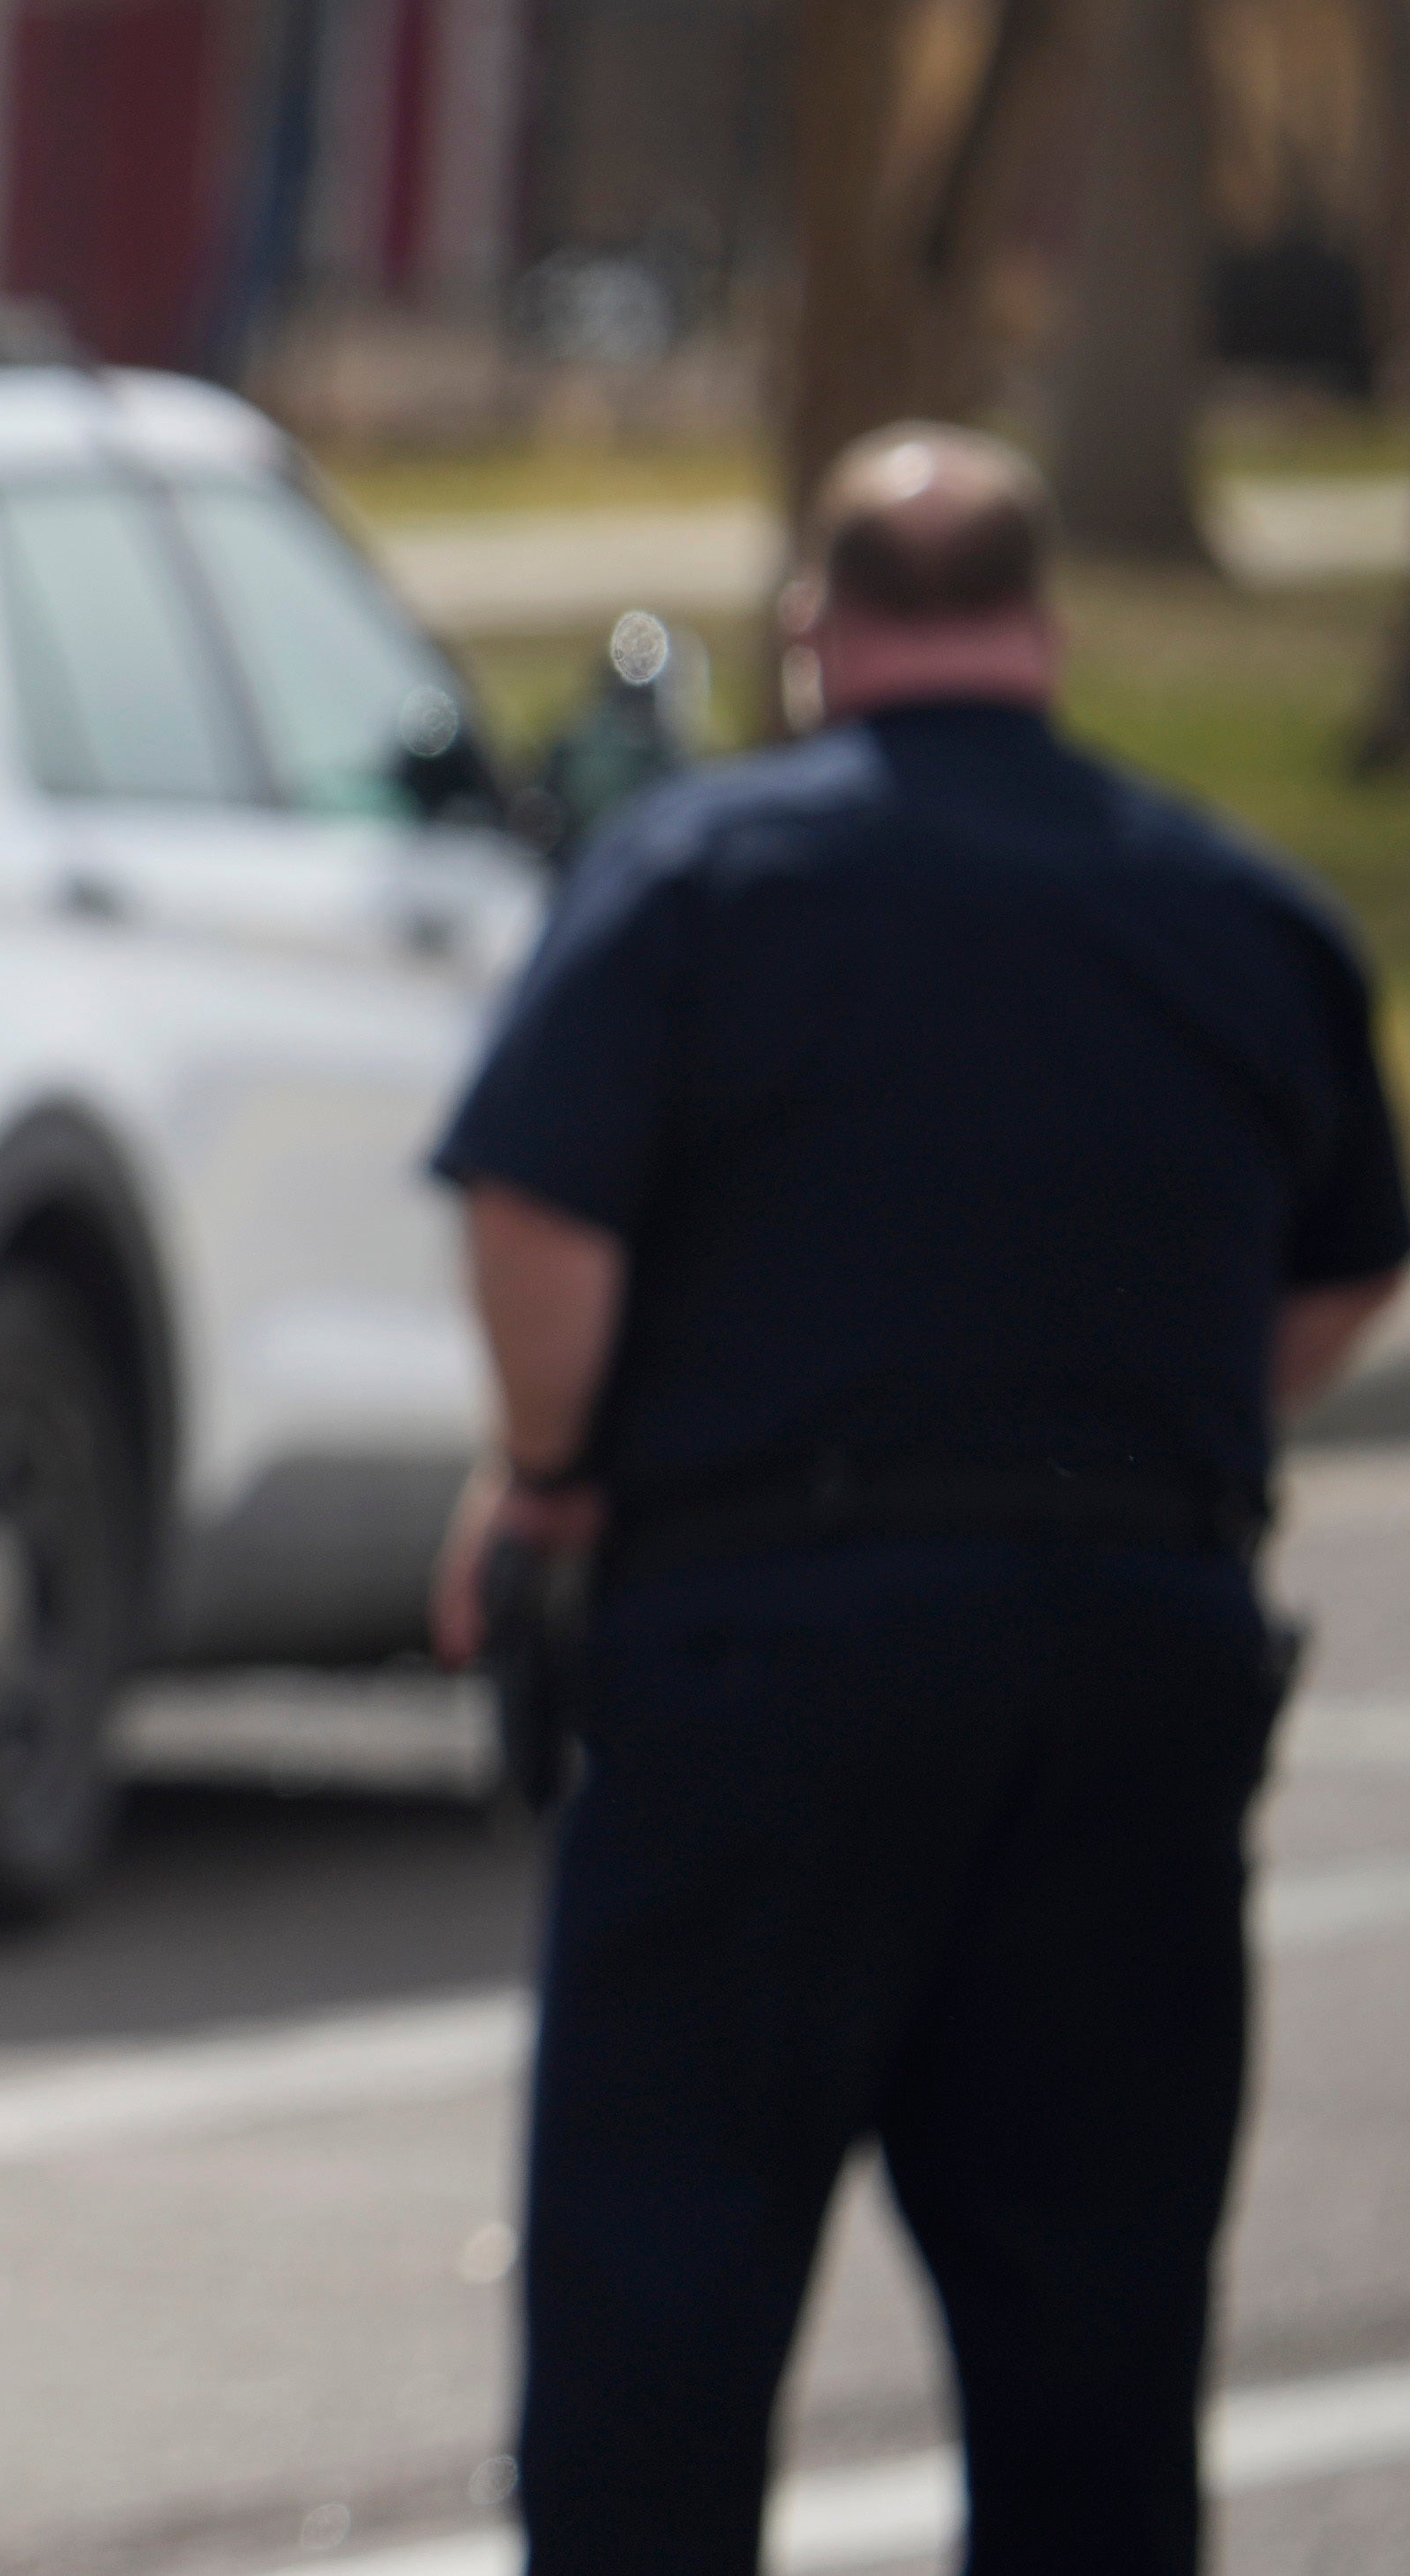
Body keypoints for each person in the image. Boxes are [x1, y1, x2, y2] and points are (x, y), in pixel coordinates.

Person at [427, 423, 1407, 2575]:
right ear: (1043, 627)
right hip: (1136, 1651)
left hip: (769, 1647)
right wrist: (1136, 1429)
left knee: (663, 2307)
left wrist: (556, 1472)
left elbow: (536, 1208)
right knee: (1097, 2326)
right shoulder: (1241, 906)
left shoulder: (697, 880)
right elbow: (1347, 1267)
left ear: (815, 630)